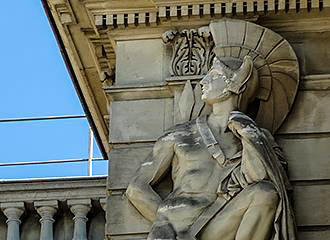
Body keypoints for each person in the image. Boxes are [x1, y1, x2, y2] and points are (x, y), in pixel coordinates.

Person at [126, 55, 296, 240]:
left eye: (214, 75)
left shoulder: (258, 136)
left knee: (266, 193)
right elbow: (136, 188)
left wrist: (248, 135)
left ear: (236, 84)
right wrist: (163, 223)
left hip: (221, 223)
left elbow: (262, 179)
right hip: (178, 226)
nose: (203, 81)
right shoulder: (180, 135)